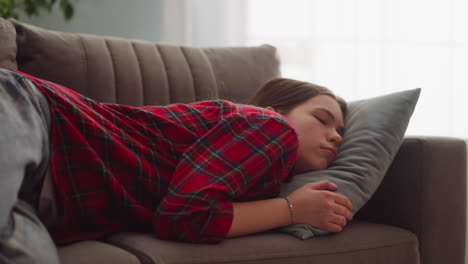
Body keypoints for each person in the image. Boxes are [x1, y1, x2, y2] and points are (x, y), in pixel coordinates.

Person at [0, 68, 352, 261]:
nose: (335, 136)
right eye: (322, 119)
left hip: (42, 198)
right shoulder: (271, 128)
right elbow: (185, 215)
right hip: (35, 119)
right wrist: (293, 209)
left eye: (340, 130)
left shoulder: (261, 176)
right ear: (276, 110)